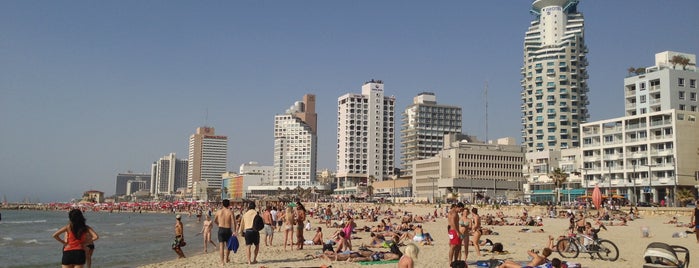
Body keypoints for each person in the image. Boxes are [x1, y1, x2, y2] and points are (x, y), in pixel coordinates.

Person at [213, 199, 236, 266]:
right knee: (228, 245)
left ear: (222, 204)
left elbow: (215, 221)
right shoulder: (230, 212)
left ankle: (222, 262)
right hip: (228, 229)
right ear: (229, 205)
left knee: (221, 246)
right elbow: (233, 222)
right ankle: (226, 258)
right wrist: (234, 231)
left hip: (221, 229)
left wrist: (219, 225)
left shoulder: (218, 212)